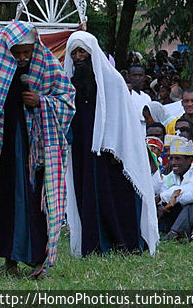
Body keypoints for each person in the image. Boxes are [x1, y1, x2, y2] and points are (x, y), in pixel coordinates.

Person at [0, 22, 74, 278]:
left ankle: (38, 261)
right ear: (6, 49)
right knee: (4, 202)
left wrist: (41, 102)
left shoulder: (47, 65)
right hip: (2, 149)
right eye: (17, 52)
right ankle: (9, 260)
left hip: (36, 154)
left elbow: (67, 101)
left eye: (27, 52)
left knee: (35, 204)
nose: (22, 57)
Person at [63, 32, 158, 257]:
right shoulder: (69, 82)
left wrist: (114, 147)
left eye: (82, 52)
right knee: (86, 196)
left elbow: (122, 120)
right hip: (81, 149)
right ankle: (94, 245)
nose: (78, 57)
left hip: (110, 151)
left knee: (114, 198)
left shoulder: (112, 81)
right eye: (74, 52)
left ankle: (121, 243)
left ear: (92, 52)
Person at [153, 135, 193, 241]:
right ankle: (161, 233)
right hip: (175, 216)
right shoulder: (170, 177)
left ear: (190, 160)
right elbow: (163, 199)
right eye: (171, 158)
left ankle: (174, 235)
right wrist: (163, 202)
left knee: (190, 204)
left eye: (178, 159)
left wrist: (164, 197)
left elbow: (188, 197)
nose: (173, 163)